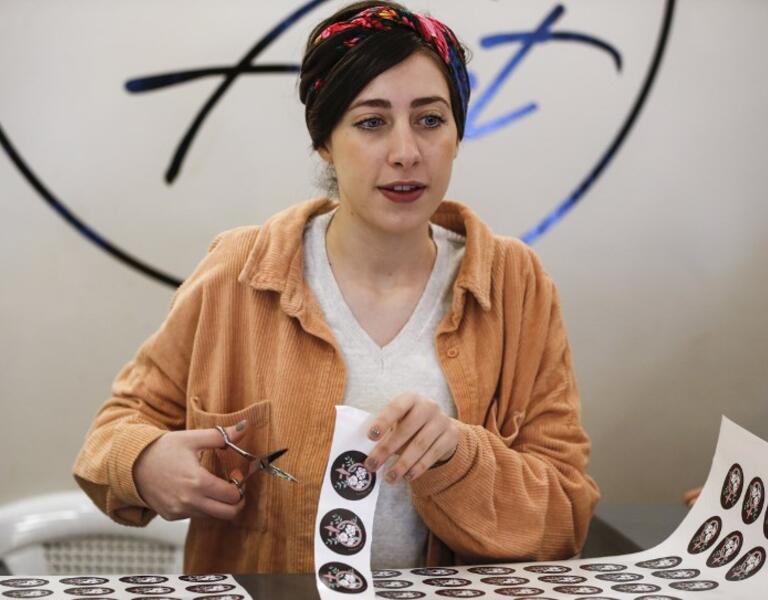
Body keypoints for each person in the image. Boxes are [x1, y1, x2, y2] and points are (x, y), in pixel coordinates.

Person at [73, 1, 600, 574]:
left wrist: (456, 456)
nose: (405, 153)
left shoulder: (516, 285)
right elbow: (113, 433)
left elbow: (565, 518)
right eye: (371, 122)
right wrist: (144, 463)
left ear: (456, 134)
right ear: (325, 141)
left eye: (430, 119)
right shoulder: (238, 271)